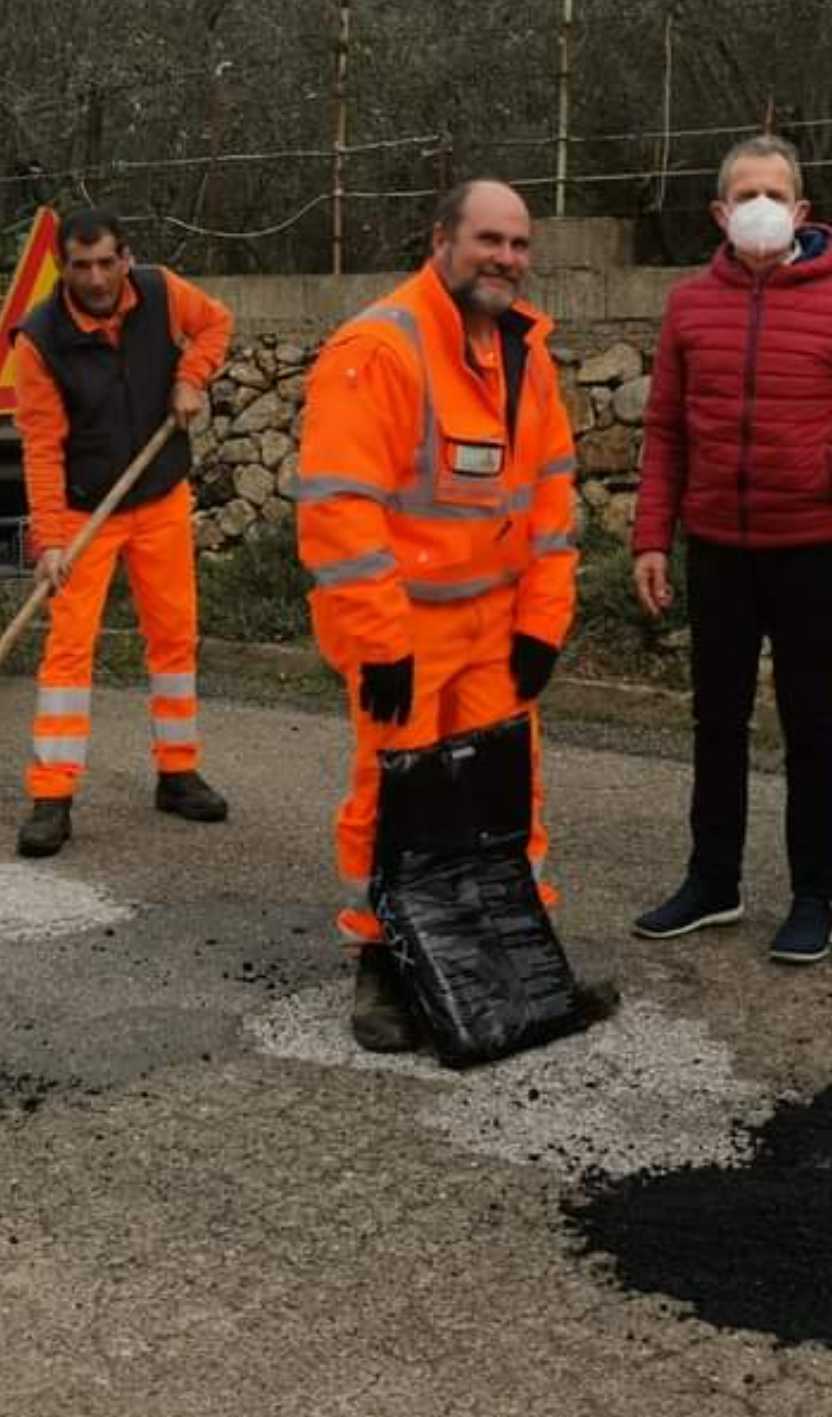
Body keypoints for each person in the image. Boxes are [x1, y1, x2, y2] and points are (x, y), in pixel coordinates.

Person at [296, 179, 588, 1052]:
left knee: (508, 798)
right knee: (396, 798)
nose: (506, 258)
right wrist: (381, 642)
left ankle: (518, 959)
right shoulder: (380, 349)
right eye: (489, 240)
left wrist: (543, 624)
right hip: (405, 629)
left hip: (497, 625)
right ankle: (380, 962)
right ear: (442, 242)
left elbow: (551, 507)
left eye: (519, 244)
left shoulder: (524, 355)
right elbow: (340, 510)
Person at [628, 134, 832, 966]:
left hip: (813, 549)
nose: (760, 207)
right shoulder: (688, 306)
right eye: (745, 194)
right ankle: (713, 881)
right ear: (720, 213)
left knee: (810, 723)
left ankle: (814, 895)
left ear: (801, 209)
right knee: (716, 721)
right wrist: (651, 537)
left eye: (774, 194)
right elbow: (666, 431)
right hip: (717, 546)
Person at [9, 208, 235, 858]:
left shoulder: (162, 293)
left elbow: (216, 323)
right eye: (81, 266)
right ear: (62, 267)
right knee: (69, 649)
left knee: (174, 636)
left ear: (125, 258)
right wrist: (50, 540)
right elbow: (42, 449)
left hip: (160, 494)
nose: (96, 278)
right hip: (85, 511)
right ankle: (52, 795)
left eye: (107, 262)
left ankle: (178, 773)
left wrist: (191, 378)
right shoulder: (40, 340)